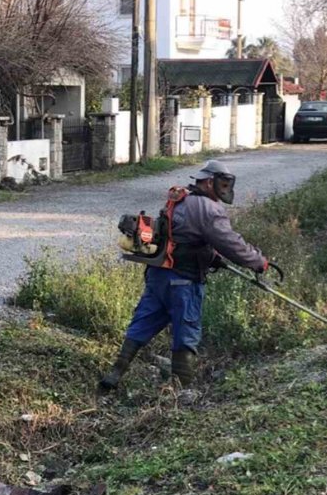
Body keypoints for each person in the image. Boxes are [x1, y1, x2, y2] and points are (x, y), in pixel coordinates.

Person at [99, 160, 268, 390]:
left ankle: (115, 374)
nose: (224, 190)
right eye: (222, 184)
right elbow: (232, 244)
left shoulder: (179, 199)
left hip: (159, 277)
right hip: (184, 282)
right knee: (185, 332)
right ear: (209, 182)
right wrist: (259, 262)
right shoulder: (209, 208)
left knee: (143, 323)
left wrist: (211, 258)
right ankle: (182, 392)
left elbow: (181, 237)